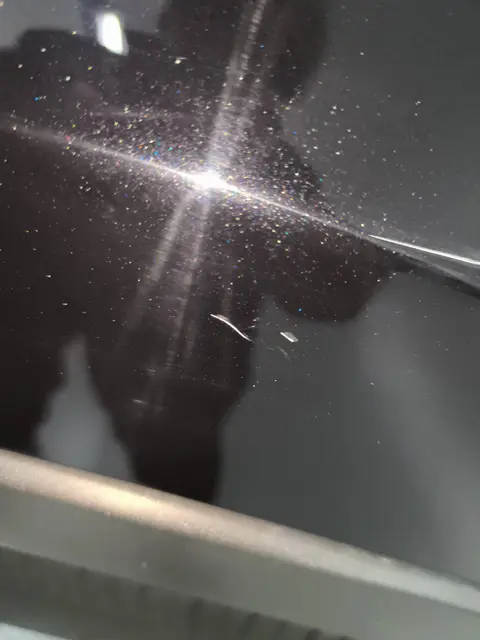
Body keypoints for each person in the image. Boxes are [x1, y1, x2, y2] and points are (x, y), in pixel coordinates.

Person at [0, 0, 429, 502]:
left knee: (174, 478)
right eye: (217, 26)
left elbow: (331, 291)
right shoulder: (61, 82)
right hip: (104, 405)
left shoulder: (260, 164)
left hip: (157, 420)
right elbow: (331, 291)